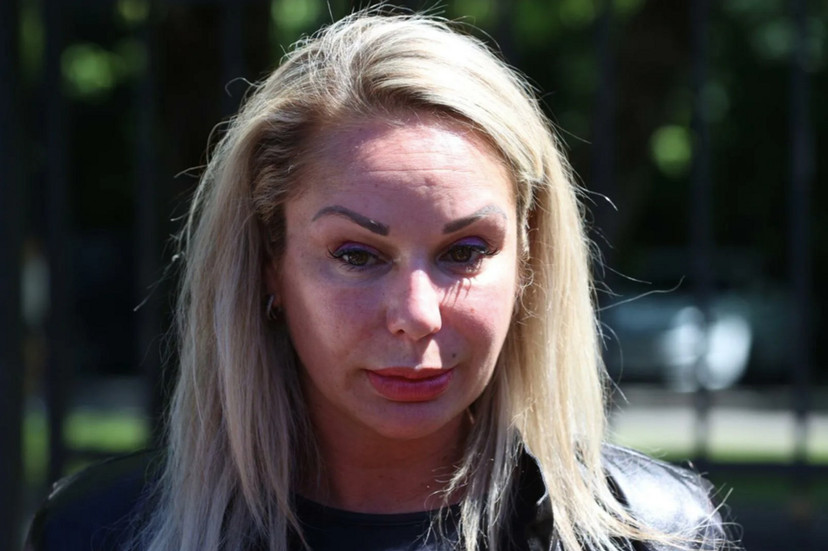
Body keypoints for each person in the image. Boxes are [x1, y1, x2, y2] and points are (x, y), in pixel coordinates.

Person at [26, 9, 735, 551]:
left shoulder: (656, 531)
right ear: (269, 263)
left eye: (465, 251)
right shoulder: (103, 530)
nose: (417, 314)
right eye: (357, 255)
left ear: (529, 260)